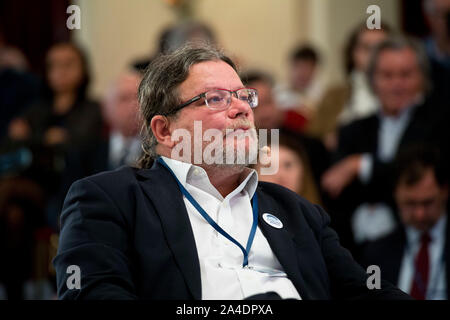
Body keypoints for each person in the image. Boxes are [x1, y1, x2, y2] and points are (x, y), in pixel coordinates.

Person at [53, 44, 410, 300]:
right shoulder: (110, 199)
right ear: (164, 130)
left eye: (244, 96)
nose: (242, 109)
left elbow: (366, 291)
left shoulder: (297, 212)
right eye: (216, 99)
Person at [321, 36, 441, 253]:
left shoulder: (439, 125)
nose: (396, 84)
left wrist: (362, 165)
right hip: (357, 248)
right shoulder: (352, 130)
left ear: (422, 78)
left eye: (406, 75)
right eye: (387, 75)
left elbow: (421, 179)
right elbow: (335, 188)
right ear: (372, 80)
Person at [360, 145, 449, 300]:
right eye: (410, 203)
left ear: (445, 191)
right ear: (395, 195)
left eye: (428, 203)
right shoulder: (374, 255)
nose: (419, 214)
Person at [306, 22, 390, 151]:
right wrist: (326, 140)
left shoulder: (403, 93)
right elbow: (312, 137)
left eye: (381, 48)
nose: (374, 55)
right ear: (353, 52)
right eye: (366, 48)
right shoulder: (334, 95)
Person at [97, 70, 143, 170]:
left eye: (139, 98)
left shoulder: (159, 152)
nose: (134, 105)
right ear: (106, 108)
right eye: (124, 99)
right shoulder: (86, 151)